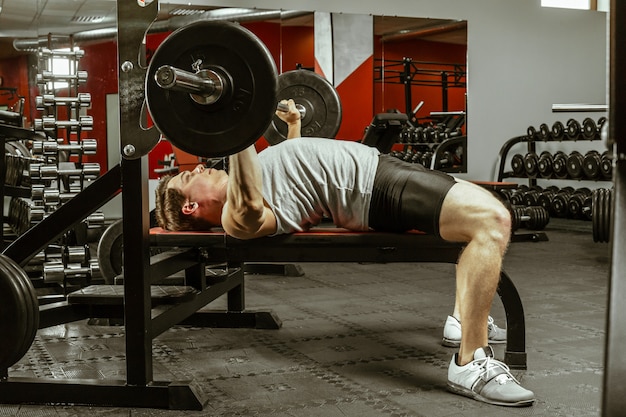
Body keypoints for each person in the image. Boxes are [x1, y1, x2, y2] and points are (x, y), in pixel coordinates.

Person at [154, 99, 535, 407]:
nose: (200, 166)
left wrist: (293, 127)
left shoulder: (249, 179)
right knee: (492, 220)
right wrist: (237, 119)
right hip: (374, 189)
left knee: (477, 214)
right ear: (191, 207)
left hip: (377, 171)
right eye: (190, 176)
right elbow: (251, 197)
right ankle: (470, 363)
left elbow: (291, 172)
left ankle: (461, 320)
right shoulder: (236, 217)